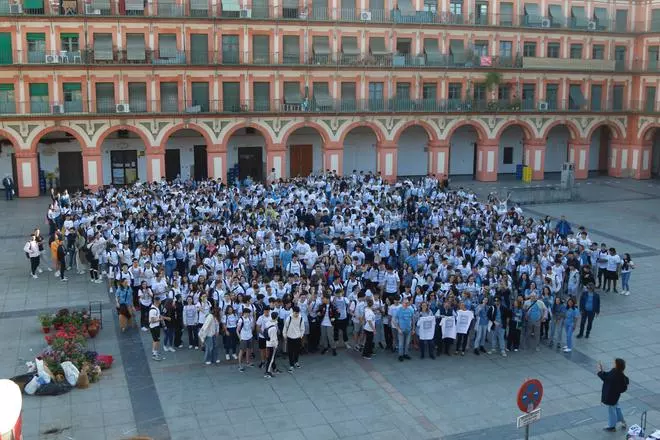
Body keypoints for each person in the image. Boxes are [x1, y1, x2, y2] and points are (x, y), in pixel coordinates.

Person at [597, 358, 628, 432]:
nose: (613, 364)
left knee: (612, 410)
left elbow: (606, 378)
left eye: (614, 363)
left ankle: (612, 426)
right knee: (616, 407)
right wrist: (602, 371)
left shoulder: (614, 373)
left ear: (617, 365)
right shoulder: (619, 373)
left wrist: (599, 372)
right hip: (615, 395)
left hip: (611, 395)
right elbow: (608, 376)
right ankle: (622, 421)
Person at [283, 305, 304, 372]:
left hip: (297, 338)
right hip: (290, 337)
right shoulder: (289, 318)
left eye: (298, 313)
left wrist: (301, 336)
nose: (297, 314)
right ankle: (291, 365)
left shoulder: (301, 318)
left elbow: (302, 329)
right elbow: (285, 328)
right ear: (293, 312)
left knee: (297, 351)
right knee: (290, 352)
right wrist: (285, 336)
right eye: (295, 313)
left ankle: (296, 361)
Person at [395, 297, 415, 361]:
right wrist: (398, 329)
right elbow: (395, 321)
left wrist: (413, 329)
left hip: (408, 330)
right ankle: (400, 355)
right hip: (401, 330)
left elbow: (413, 320)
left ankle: (406, 354)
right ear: (402, 303)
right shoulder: (398, 310)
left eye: (407, 303)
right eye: (404, 303)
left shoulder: (411, 310)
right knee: (401, 343)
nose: (406, 304)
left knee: (407, 343)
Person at [149, 297, 167, 361]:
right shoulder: (153, 310)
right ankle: (154, 354)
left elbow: (158, 317)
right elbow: (152, 320)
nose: (160, 301)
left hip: (156, 326)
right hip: (154, 327)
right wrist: (160, 319)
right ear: (157, 301)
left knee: (157, 340)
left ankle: (155, 352)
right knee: (156, 340)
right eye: (159, 300)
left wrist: (163, 323)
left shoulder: (156, 308)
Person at [237, 308, 254, 372]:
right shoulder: (241, 320)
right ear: (245, 313)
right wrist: (240, 338)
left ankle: (248, 362)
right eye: (248, 313)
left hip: (249, 336)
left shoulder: (250, 318)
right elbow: (237, 330)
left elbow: (251, 327)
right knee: (242, 351)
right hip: (243, 337)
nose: (249, 314)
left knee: (248, 349)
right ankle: (240, 365)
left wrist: (251, 334)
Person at [264, 311, 279, 378]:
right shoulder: (273, 328)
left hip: (268, 343)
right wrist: (276, 345)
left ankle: (271, 369)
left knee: (271, 358)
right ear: (276, 317)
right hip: (272, 345)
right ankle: (268, 372)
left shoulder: (268, 323)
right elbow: (273, 338)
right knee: (271, 359)